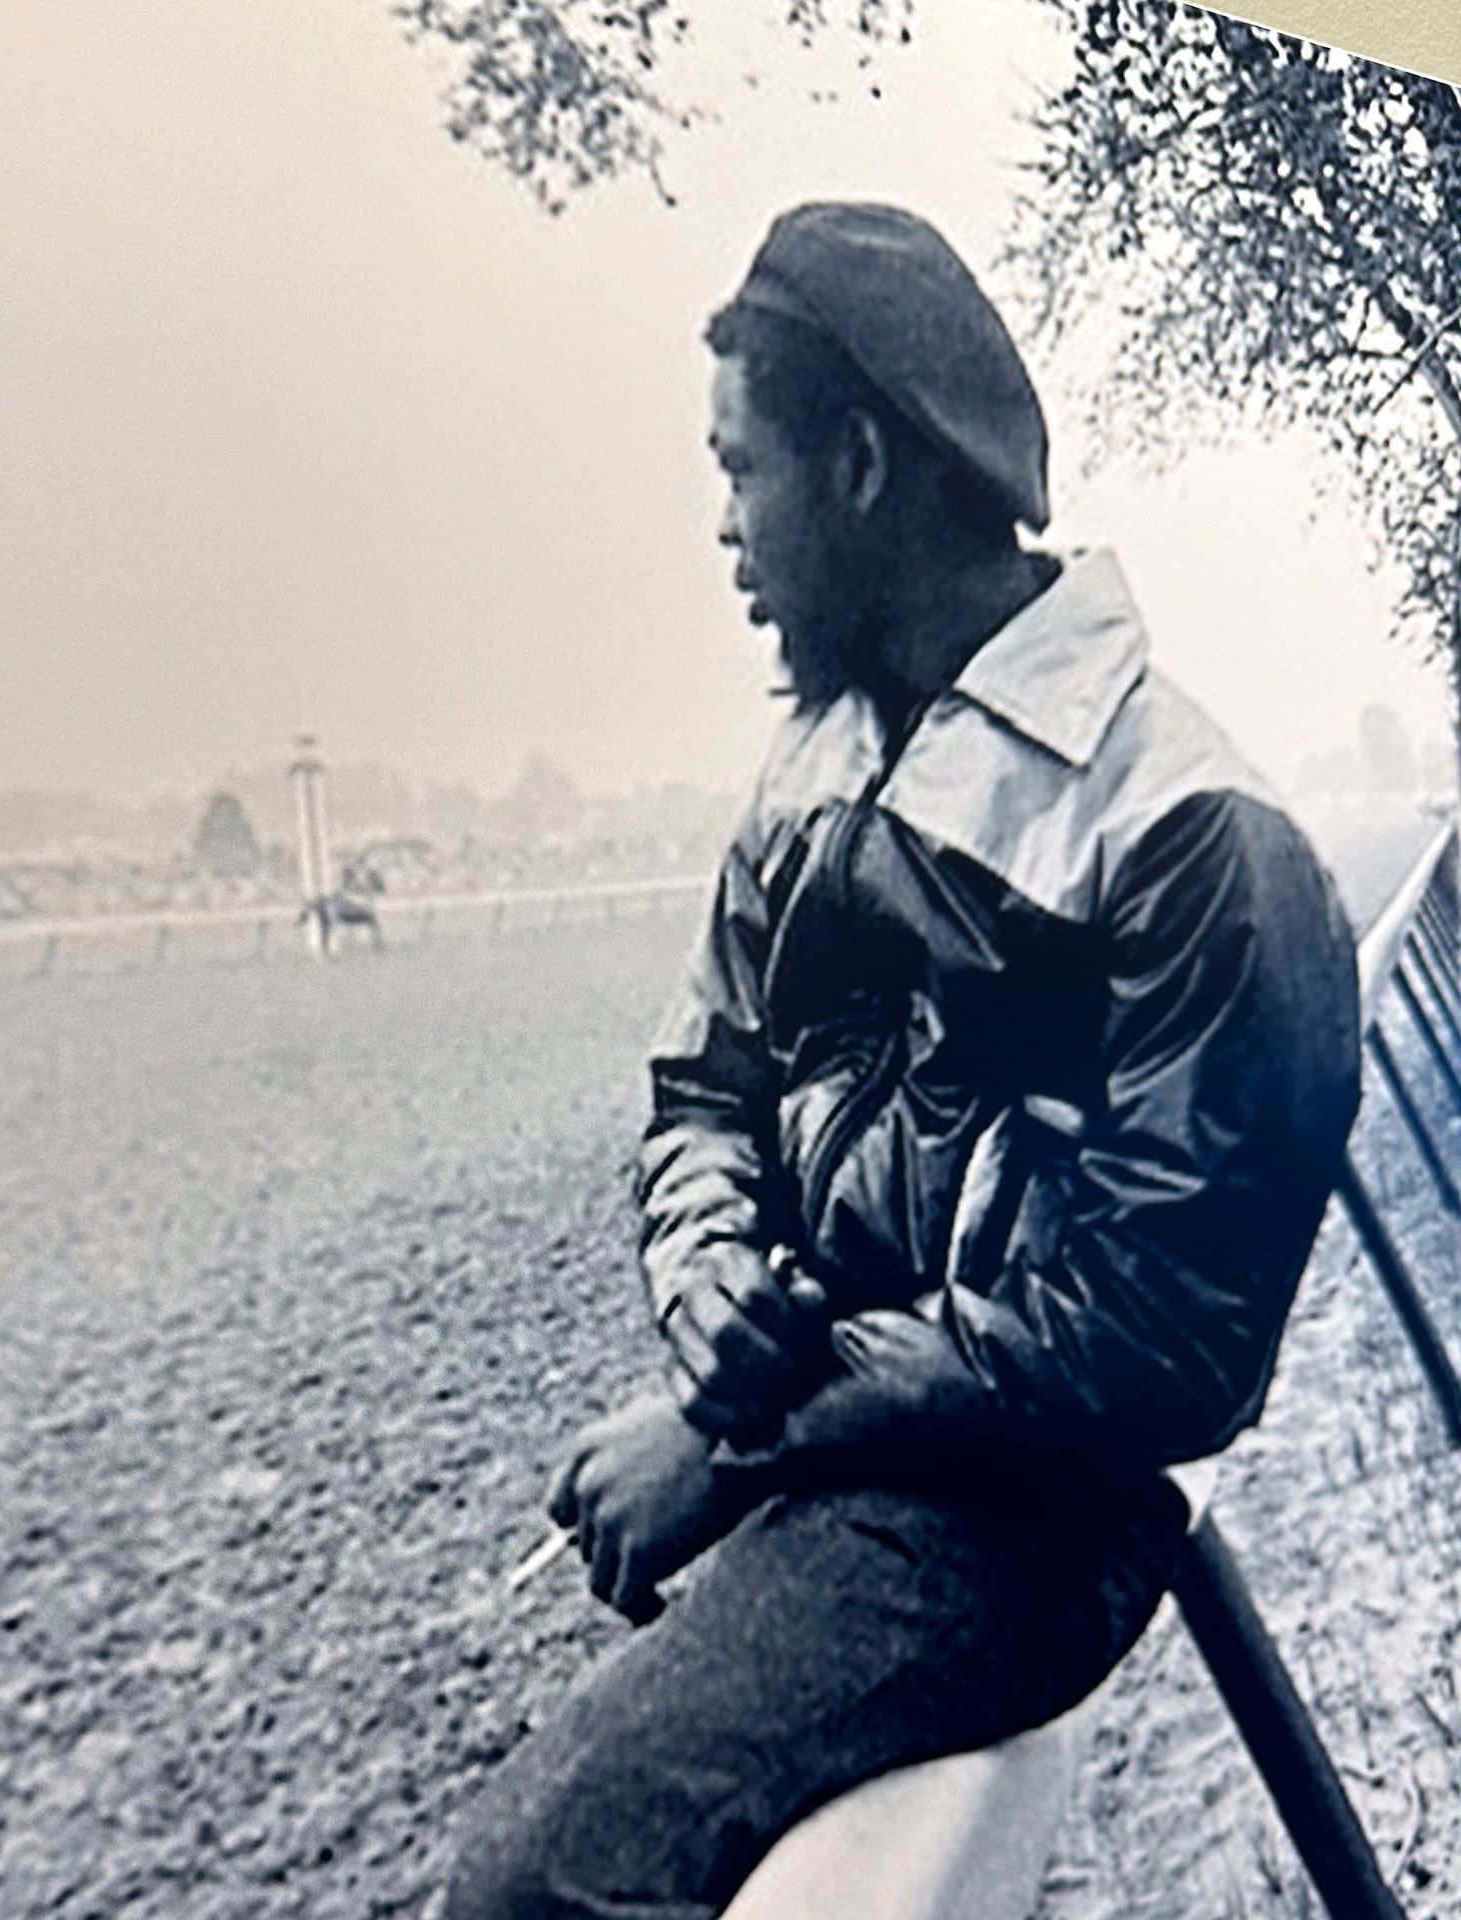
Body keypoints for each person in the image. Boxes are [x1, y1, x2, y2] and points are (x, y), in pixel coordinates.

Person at [438, 202, 1363, 1920]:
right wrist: (710, 1290)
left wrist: (737, 1436)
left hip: (1034, 1513)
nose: (724, 529)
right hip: (868, 1437)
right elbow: (704, 1087)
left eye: (743, 471)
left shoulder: (1195, 828)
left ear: (860, 463)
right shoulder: (811, 760)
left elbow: (1161, 1342)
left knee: (526, 1896)